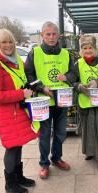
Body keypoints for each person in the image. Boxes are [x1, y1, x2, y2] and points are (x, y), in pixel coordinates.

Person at [0, 29, 37, 193]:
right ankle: (10, 183)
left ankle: (18, 176)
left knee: (18, 144)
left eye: (10, 42)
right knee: (11, 147)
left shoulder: (13, 62)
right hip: (7, 114)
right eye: (4, 42)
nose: (8, 45)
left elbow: (18, 83)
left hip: (18, 111)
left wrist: (29, 88)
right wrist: (21, 94)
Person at [25, 21, 75, 179]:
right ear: (42, 35)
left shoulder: (66, 54)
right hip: (43, 102)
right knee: (45, 135)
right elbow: (29, 75)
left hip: (61, 101)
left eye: (54, 34)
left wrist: (66, 77)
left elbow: (74, 74)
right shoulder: (35, 53)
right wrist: (41, 88)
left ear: (59, 35)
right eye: (48, 34)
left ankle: (57, 158)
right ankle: (44, 163)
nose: (51, 37)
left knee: (60, 133)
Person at [58, 35, 98, 171]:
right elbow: (73, 79)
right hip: (84, 101)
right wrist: (78, 87)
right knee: (87, 128)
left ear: (94, 49)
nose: (88, 51)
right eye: (85, 48)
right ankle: (90, 151)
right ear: (81, 50)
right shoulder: (78, 64)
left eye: (90, 48)